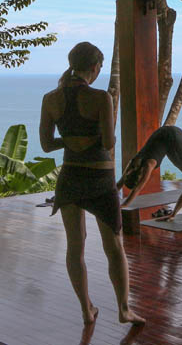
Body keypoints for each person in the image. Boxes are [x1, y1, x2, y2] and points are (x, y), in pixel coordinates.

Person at [39, 42, 144, 326]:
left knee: (75, 246)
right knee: (115, 247)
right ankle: (124, 309)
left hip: (70, 177)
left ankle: (87, 310)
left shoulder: (50, 98)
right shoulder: (101, 97)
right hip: (100, 179)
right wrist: (92, 138)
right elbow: (109, 142)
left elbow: (47, 144)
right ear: (96, 67)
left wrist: (69, 140)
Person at [116, 125, 182, 206]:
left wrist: (124, 205)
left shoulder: (148, 165)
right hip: (164, 139)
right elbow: (119, 184)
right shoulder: (132, 165)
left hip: (173, 134)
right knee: (179, 165)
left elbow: (137, 189)